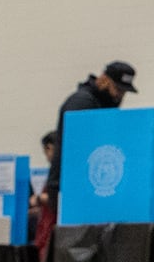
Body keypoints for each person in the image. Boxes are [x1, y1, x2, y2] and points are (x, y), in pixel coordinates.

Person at [49, 61, 136, 208]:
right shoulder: (82, 103)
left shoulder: (99, 105)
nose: (119, 96)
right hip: (68, 187)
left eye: (123, 92)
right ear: (104, 80)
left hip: (78, 186)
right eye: (117, 89)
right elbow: (77, 150)